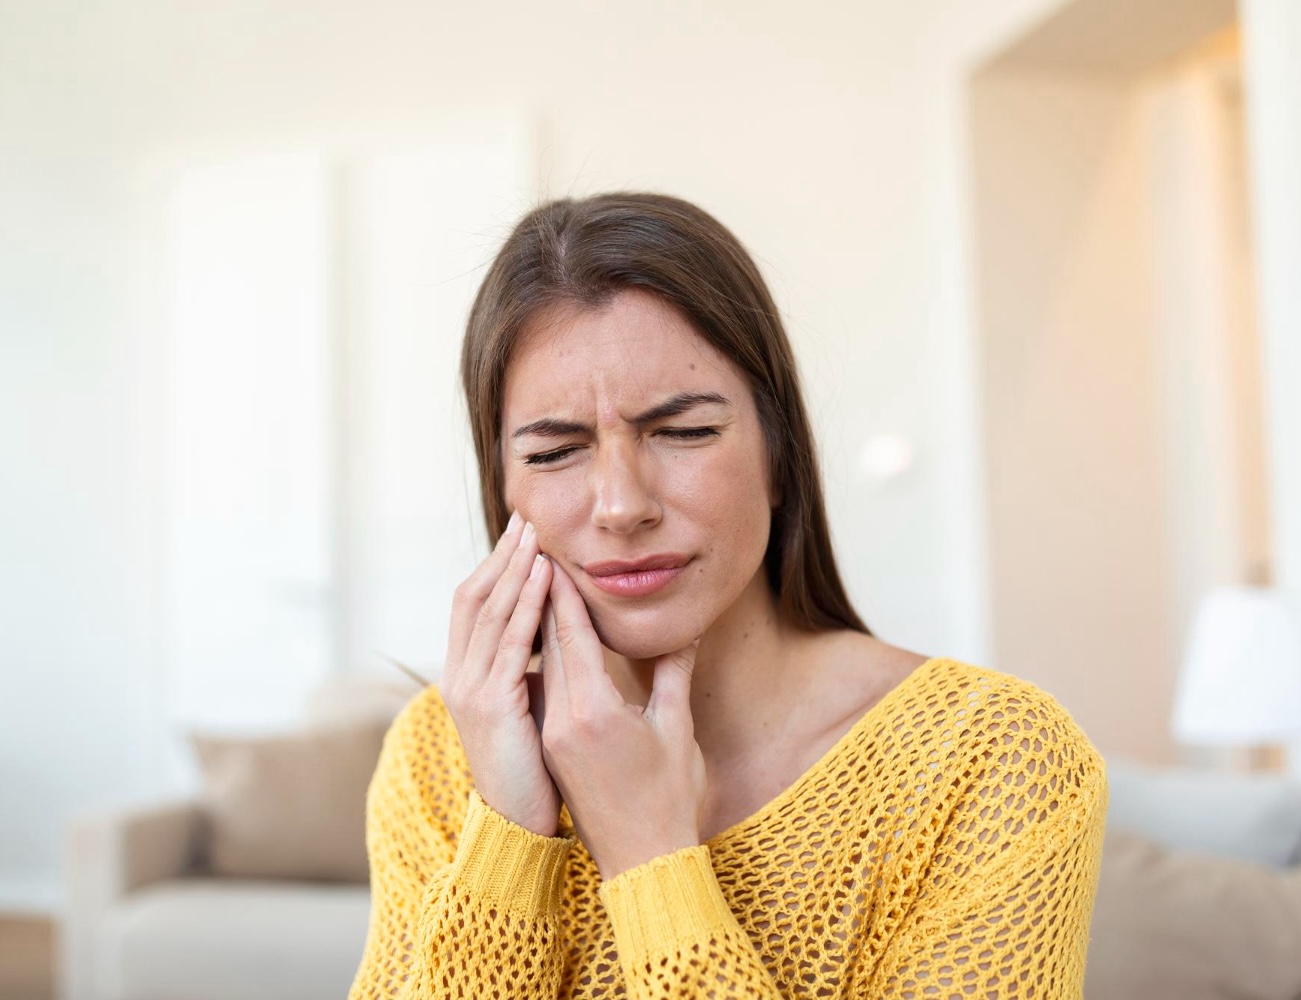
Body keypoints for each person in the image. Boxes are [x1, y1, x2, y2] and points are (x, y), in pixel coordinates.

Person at [347, 192, 1108, 1000]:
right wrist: (506, 837)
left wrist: (649, 857)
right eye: (557, 450)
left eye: (683, 432)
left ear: (780, 455)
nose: (620, 504)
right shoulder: (438, 755)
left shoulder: (992, 759)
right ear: (504, 493)